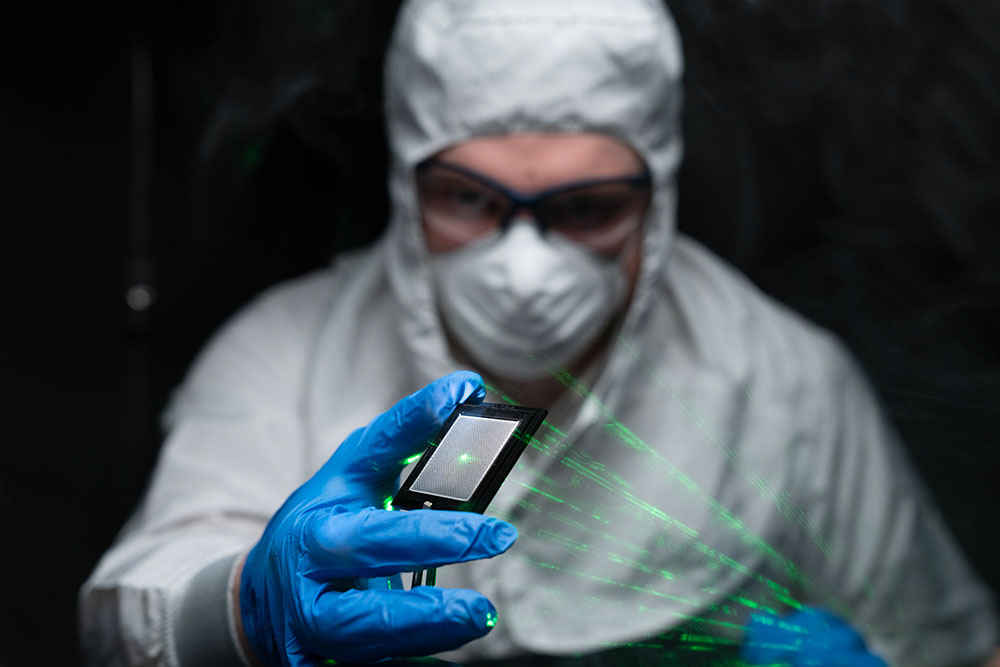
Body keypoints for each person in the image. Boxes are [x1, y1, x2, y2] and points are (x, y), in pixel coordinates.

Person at [80, 0, 1000, 665]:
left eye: (586, 207)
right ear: (408, 187)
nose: (525, 264)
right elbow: (128, 617)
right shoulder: (285, 356)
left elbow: (954, 643)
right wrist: (239, 607)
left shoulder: (785, 384)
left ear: (657, 200)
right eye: (470, 199)